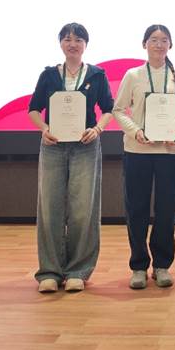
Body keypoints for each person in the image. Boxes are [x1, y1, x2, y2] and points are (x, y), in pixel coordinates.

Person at [28, 23, 114, 293]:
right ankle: (50, 271)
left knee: (83, 209)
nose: (72, 44)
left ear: (86, 44)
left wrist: (97, 129)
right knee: (50, 207)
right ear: (60, 44)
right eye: (67, 39)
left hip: (85, 146)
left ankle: (78, 269)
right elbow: (33, 109)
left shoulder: (97, 75)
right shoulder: (48, 75)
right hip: (53, 146)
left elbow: (108, 109)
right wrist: (44, 129)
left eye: (78, 39)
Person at [113, 25, 175, 290]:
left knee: (166, 210)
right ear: (144, 44)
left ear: (170, 45)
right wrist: (136, 132)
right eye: (154, 40)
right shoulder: (133, 75)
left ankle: (161, 265)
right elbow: (118, 109)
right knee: (136, 209)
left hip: (169, 152)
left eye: (164, 40)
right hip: (138, 151)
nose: (159, 45)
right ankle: (138, 266)